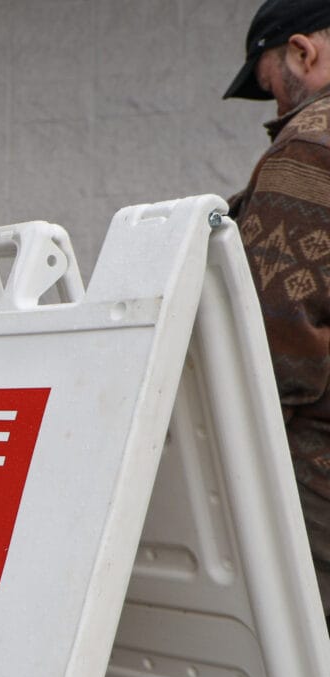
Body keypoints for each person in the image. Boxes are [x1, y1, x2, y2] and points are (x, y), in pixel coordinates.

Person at [224, 0, 330, 625]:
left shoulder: (311, 146)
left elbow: (273, 336)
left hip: (316, 472)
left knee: (300, 663)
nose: (276, 108)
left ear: (301, 52)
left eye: (269, 87)